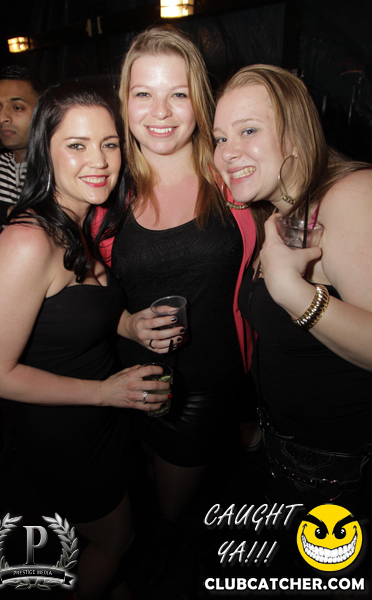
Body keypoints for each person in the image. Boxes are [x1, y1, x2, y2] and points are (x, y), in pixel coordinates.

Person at [0, 80, 173, 600]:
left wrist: (129, 324)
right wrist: (105, 392)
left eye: (109, 143)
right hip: (65, 428)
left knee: (107, 536)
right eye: (77, 145)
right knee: (117, 539)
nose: (99, 160)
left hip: (101, 416)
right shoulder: (27, 240)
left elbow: (70, 313)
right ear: (46, 151)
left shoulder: (79, 221)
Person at [93, 25, 257, 582]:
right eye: (143, 93)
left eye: (178, 93)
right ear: (124, 102)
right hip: (125, 381)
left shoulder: (233, 176)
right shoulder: (105, 191)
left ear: (199, 102)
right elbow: (78, 290)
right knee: (132, 488)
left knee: (171, 506)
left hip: (208, 384)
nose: (160, 111)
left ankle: (170, 564)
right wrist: (124, 322)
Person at [213, 64, 372, 559]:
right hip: (290, 463)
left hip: (344, 482)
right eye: (220, 137)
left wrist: (291, 292)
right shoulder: (280, 211)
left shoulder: (350, 195)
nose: (227, 151)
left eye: (249, 130)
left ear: (296, 135)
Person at [0, 65, 43, 305]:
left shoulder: (58, 166)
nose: (2, 117)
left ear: (43, 111)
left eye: (17, 107)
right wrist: (1, 211)